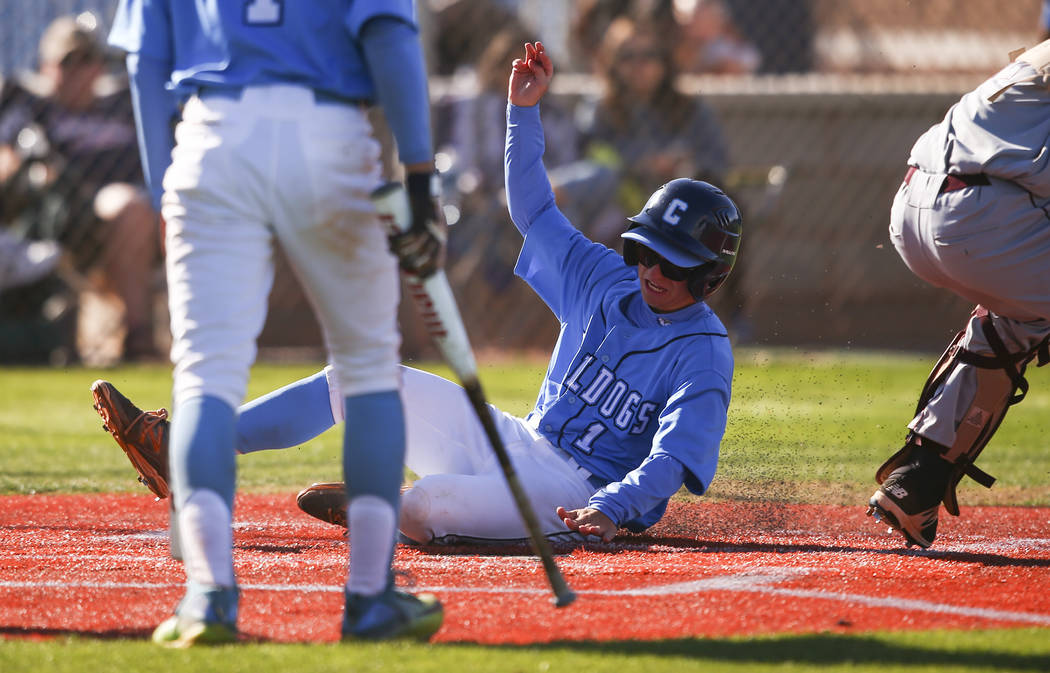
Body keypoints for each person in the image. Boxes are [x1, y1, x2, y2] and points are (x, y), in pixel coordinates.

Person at [92, 42, 742, 557]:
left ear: (709, 274)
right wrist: (524, 112)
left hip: (577, 492)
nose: (655, 270)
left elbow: (675, 457)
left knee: (430, 507)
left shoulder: (703, 351)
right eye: (649, 251)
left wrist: (617, 506)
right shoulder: (606, 278)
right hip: (516, 439)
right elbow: (533, 207)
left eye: (676, 263)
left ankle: (400, 506)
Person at [107, 0, 446, 646]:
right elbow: (389, 37)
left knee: (204, 375)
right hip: (329, 131)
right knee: (370, 368)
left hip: (213, 136)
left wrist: (159, 193)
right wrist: (422, 179)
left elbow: (144, 60)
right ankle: (371, 596)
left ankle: (208, 595)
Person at [866, 41, 1050, 549]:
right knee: (1024, 318)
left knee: (1020, 320)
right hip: (983, 217)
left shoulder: (1029, 71)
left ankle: (918, 482)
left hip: (916, 207)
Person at [0, 14, 159, 361]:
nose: (82, 70)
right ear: (46, 67)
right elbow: (7, 163)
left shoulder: (121, 105)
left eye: (91, 59)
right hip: (72, 217)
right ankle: (139, 336)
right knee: (127, 205)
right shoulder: (32, 109)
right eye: (69, 60)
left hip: (151, 208)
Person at [551, 16, 730, 248]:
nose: (639, 65)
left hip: (674, 204)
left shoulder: (689, 108)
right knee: (588, 190)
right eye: (627, 56)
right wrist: (640, 163)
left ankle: (532, 199)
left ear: (664, 62)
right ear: (612, 63)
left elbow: (718, 162)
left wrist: (681, 164)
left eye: (648, 56)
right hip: (614, 201)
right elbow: (587, 161)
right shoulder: (600, 108)